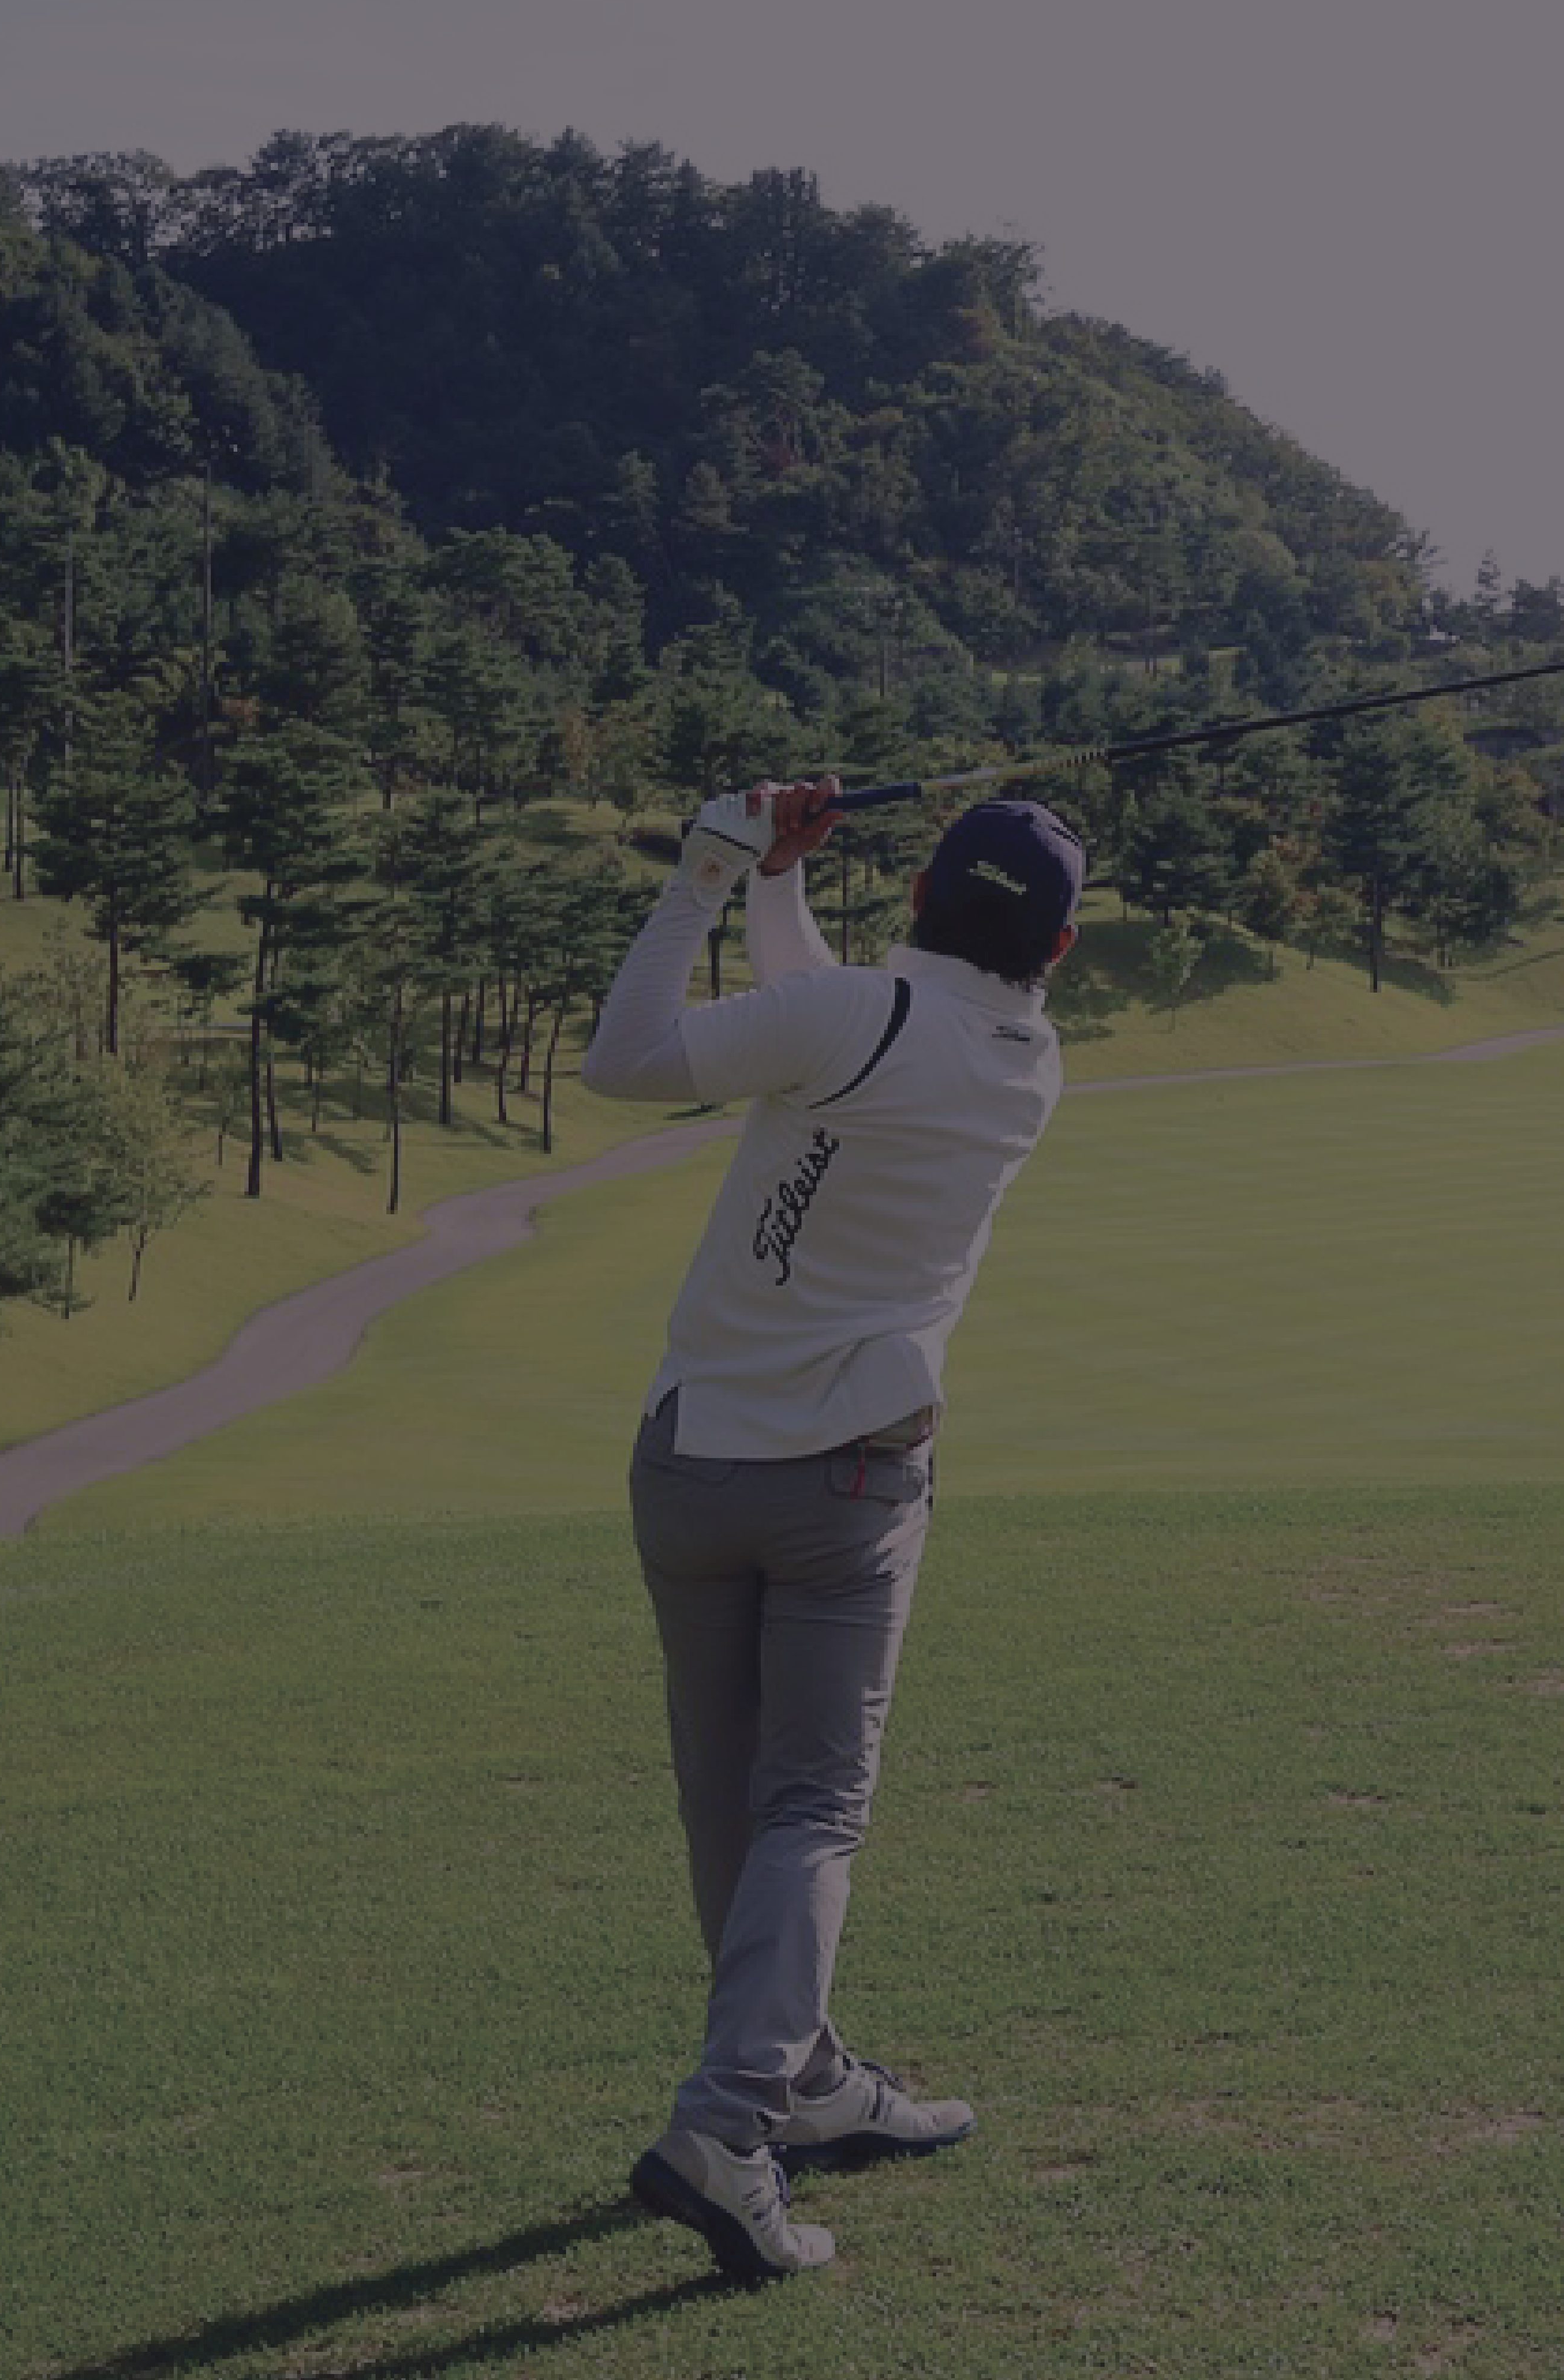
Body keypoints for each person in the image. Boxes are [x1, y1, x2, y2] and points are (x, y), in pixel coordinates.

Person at [579, 778, 1085, 2284]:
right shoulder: (1027, 1065)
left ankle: (798, 2081)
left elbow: (638, 1058)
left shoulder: (852, 1021)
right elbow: (838, 1021)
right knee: (811, 1809)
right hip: (847, 1491)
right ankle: (729, 2124)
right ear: (1053, 956)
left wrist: (717, 872)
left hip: (691, 1470)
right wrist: (759, 889)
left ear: (919, 898)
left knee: (733, 1800)